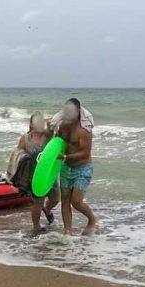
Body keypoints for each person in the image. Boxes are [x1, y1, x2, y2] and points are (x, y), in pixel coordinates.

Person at [57, 98, 98, 236]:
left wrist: (66, 157)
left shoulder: (84, 130)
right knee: (65, 201)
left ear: (78, 112)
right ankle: (67, 232)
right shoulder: (63, 125)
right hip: (65, 167)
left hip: (82, 168)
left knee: (76, 202)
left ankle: (92, 220)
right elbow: (57, 142)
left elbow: (85, 153)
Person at [16, 112, 58, 231]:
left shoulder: (47, 135)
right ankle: (36, 227)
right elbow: (18, 153)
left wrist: (51, 123)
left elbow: (51, 129)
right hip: (34, 175)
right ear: (31, 125)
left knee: (55, 199)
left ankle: (48, 209)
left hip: (49, 173)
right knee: (37, 203)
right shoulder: (25, 138)